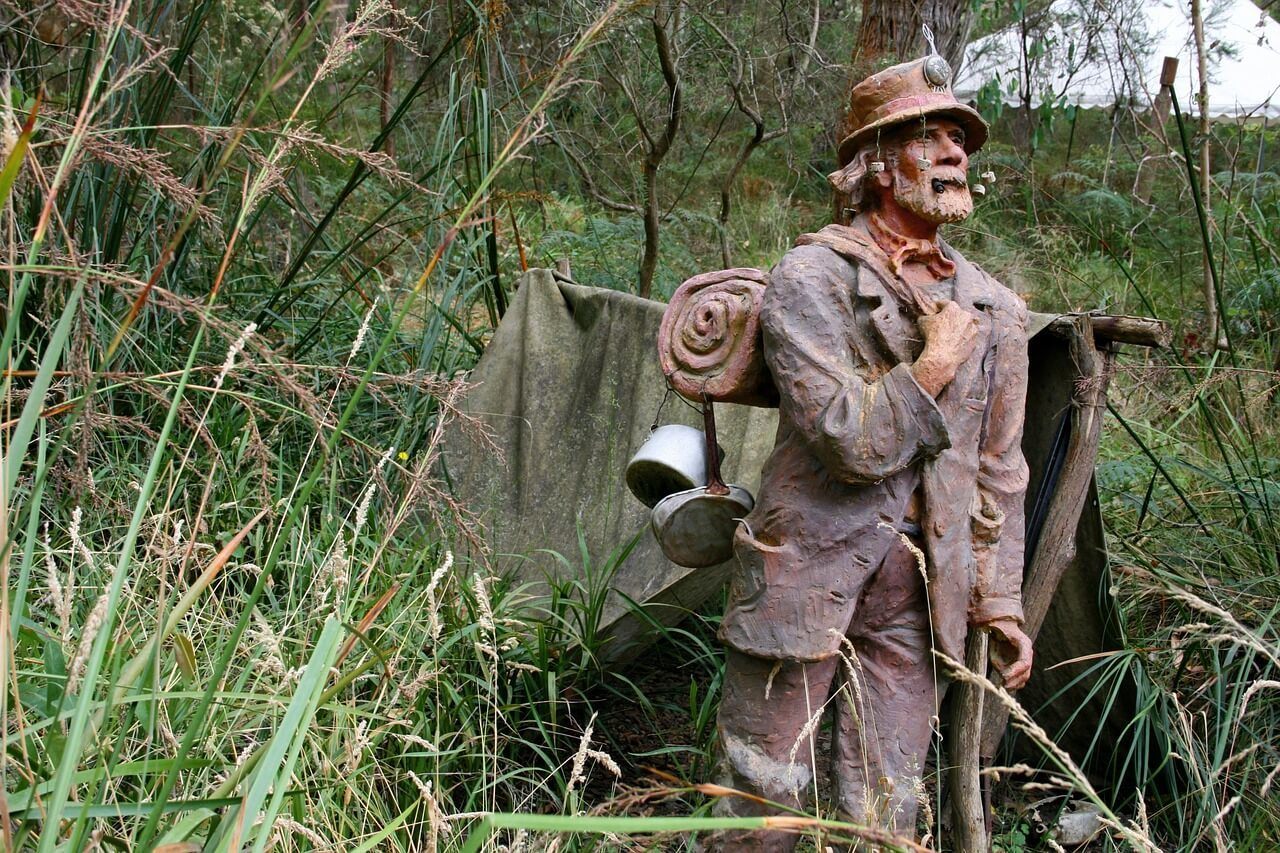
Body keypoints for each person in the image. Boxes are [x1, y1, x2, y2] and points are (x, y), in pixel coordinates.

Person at [707, 55, 1034, 851]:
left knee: (887, 810)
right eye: (931, 136)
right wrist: (933, 366)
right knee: (762, 799)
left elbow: (999, 470)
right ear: (879, 166)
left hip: (923, 596)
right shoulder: (808, 278)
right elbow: (850, 440)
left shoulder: (995, 307)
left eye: (959, 136)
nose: (956, 152)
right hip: (804, 572)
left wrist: (999, 602)